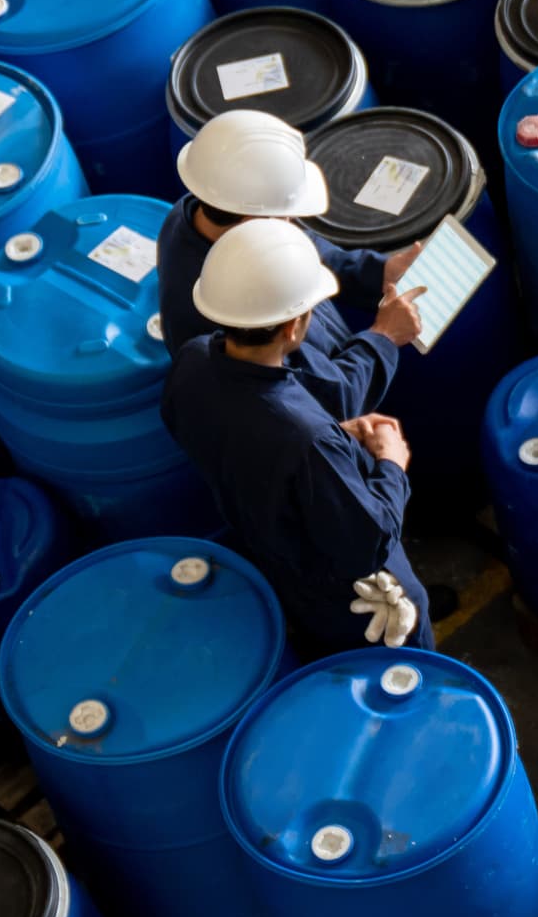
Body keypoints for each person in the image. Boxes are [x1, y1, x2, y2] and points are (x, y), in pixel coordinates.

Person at [163, 218, 434, 652]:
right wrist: (390, 463)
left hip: (281, 563)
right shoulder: (306, 441)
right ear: (293, 328)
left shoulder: (193, 359)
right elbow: (370, 538)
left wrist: (332, 434)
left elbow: (226, 430)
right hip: (353, 600)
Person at [160, 109, 407, 359]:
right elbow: (315, 390)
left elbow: (297, 248)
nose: (292, 224)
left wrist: (378, 273)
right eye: (285, 216)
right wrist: (382, 339)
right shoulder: (232, 313)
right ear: (252, 219)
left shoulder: (202, 208)